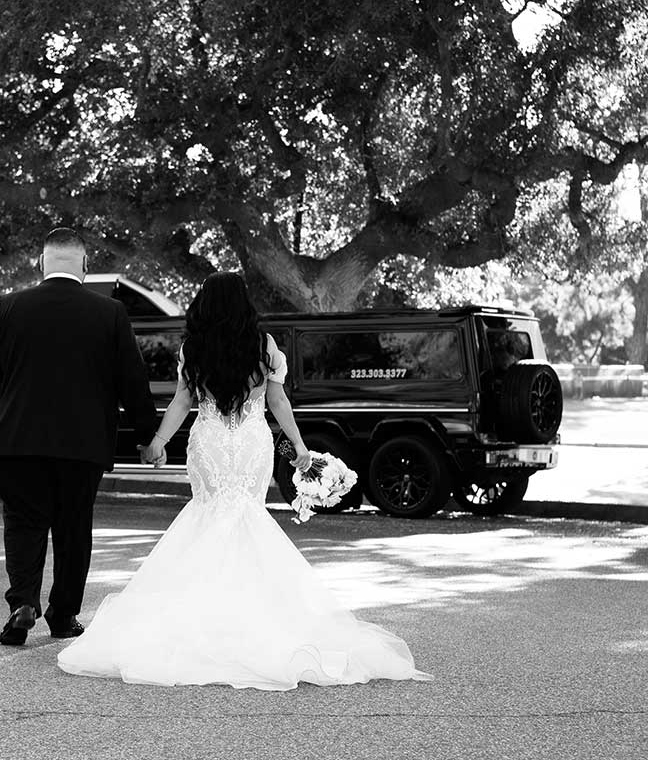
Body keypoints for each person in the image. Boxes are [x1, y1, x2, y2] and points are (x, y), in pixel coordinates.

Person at [57, 271, 433, 689]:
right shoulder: (263, 346)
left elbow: (184, 399)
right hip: (253, 442)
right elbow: (277, 399)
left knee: (207, 515)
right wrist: (300, 446)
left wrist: (159, 441)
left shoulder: (194, 348)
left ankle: (200, 619)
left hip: (210, 441)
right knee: (247, 517)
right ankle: (254, 618)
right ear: (243, 305)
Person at [0, 228, 158, 647]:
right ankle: (63, 614)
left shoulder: (8, 307)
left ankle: (22, 603)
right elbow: (133, 382)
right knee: (74, 529)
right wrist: (148, 436)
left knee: (22, 525)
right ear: (86, 266)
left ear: (41, 263)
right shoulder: (109, 313)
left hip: (18, 443)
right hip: (82, 446)